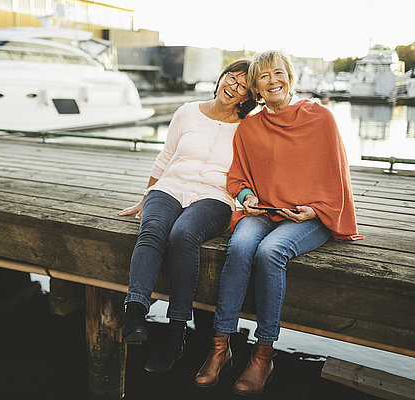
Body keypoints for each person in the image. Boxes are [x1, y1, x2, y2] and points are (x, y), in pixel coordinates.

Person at [193, 50, 363, 395]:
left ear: (290, 77)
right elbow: (237, 178)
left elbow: (337, 176)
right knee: (239, 246)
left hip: (310, 215)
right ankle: (220, 347)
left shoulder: (321, 118)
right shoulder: (251, 127)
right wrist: (246, 199)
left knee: (270, 252)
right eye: (264, 77)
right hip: (265, 211)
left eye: (278, 73)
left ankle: (263, 355)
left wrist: (315, 211)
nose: (273, 81)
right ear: (256, 87)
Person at [118, 60, 257, 373]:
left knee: (183, 234)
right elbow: (166, 156)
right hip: (170, 187)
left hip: (215, 197)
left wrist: (251, 198)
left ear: (246, 97)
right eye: (230, 77)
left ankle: (176, 333)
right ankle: (135, 312)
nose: (231, 86)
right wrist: (146, 196)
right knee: (152, 229)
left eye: (241, 86)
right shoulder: (187, 112)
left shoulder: (248, 127)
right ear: (221, 77)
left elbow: (252, 172)